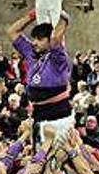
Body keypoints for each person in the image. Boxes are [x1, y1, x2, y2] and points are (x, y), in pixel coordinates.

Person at [7, 8, 74, 144]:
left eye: (40, 39)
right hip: (38, 112)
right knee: (39, 154)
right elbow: (12, 31)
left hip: (58, 113)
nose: (34, 42)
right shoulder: (31, 53)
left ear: (50, 41)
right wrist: (34, 14)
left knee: (57, 153)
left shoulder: (58, 57)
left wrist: (63, 19)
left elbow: (55, 38)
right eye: (34, 39)